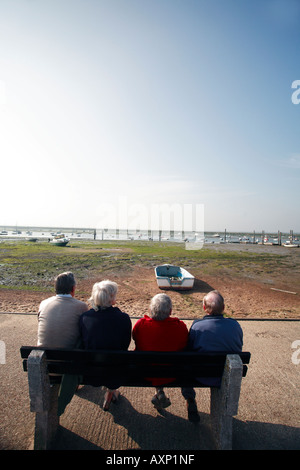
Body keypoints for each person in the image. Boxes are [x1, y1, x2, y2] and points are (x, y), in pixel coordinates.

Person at [182, 290, 243, 423]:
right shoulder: (235, 326)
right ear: (223, 308)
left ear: (204, 308)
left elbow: (189, 350)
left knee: (184, 365)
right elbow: (238, 347)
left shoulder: (197, 326)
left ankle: (190, 398)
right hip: (226, 375)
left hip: (200, 374)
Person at [37, 272, 89, 415]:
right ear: (73, 288)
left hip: (44, 362)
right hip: (67, 367)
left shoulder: (44, 303)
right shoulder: (81, 306)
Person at [79, 280, 132, 410]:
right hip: (115, 372)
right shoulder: (123, 318)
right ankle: (111, 391)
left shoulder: (85, 318)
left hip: (91, 372)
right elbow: (124, 345)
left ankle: (110, 392)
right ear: (112, 299)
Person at [132, 293, 188, 410]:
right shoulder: (180, 327)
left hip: (145, 372)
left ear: (150, 309)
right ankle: (160, 391)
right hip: (172, 374)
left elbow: (136, 339)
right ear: (170, 311)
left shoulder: (140, 325)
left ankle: (159, 391)